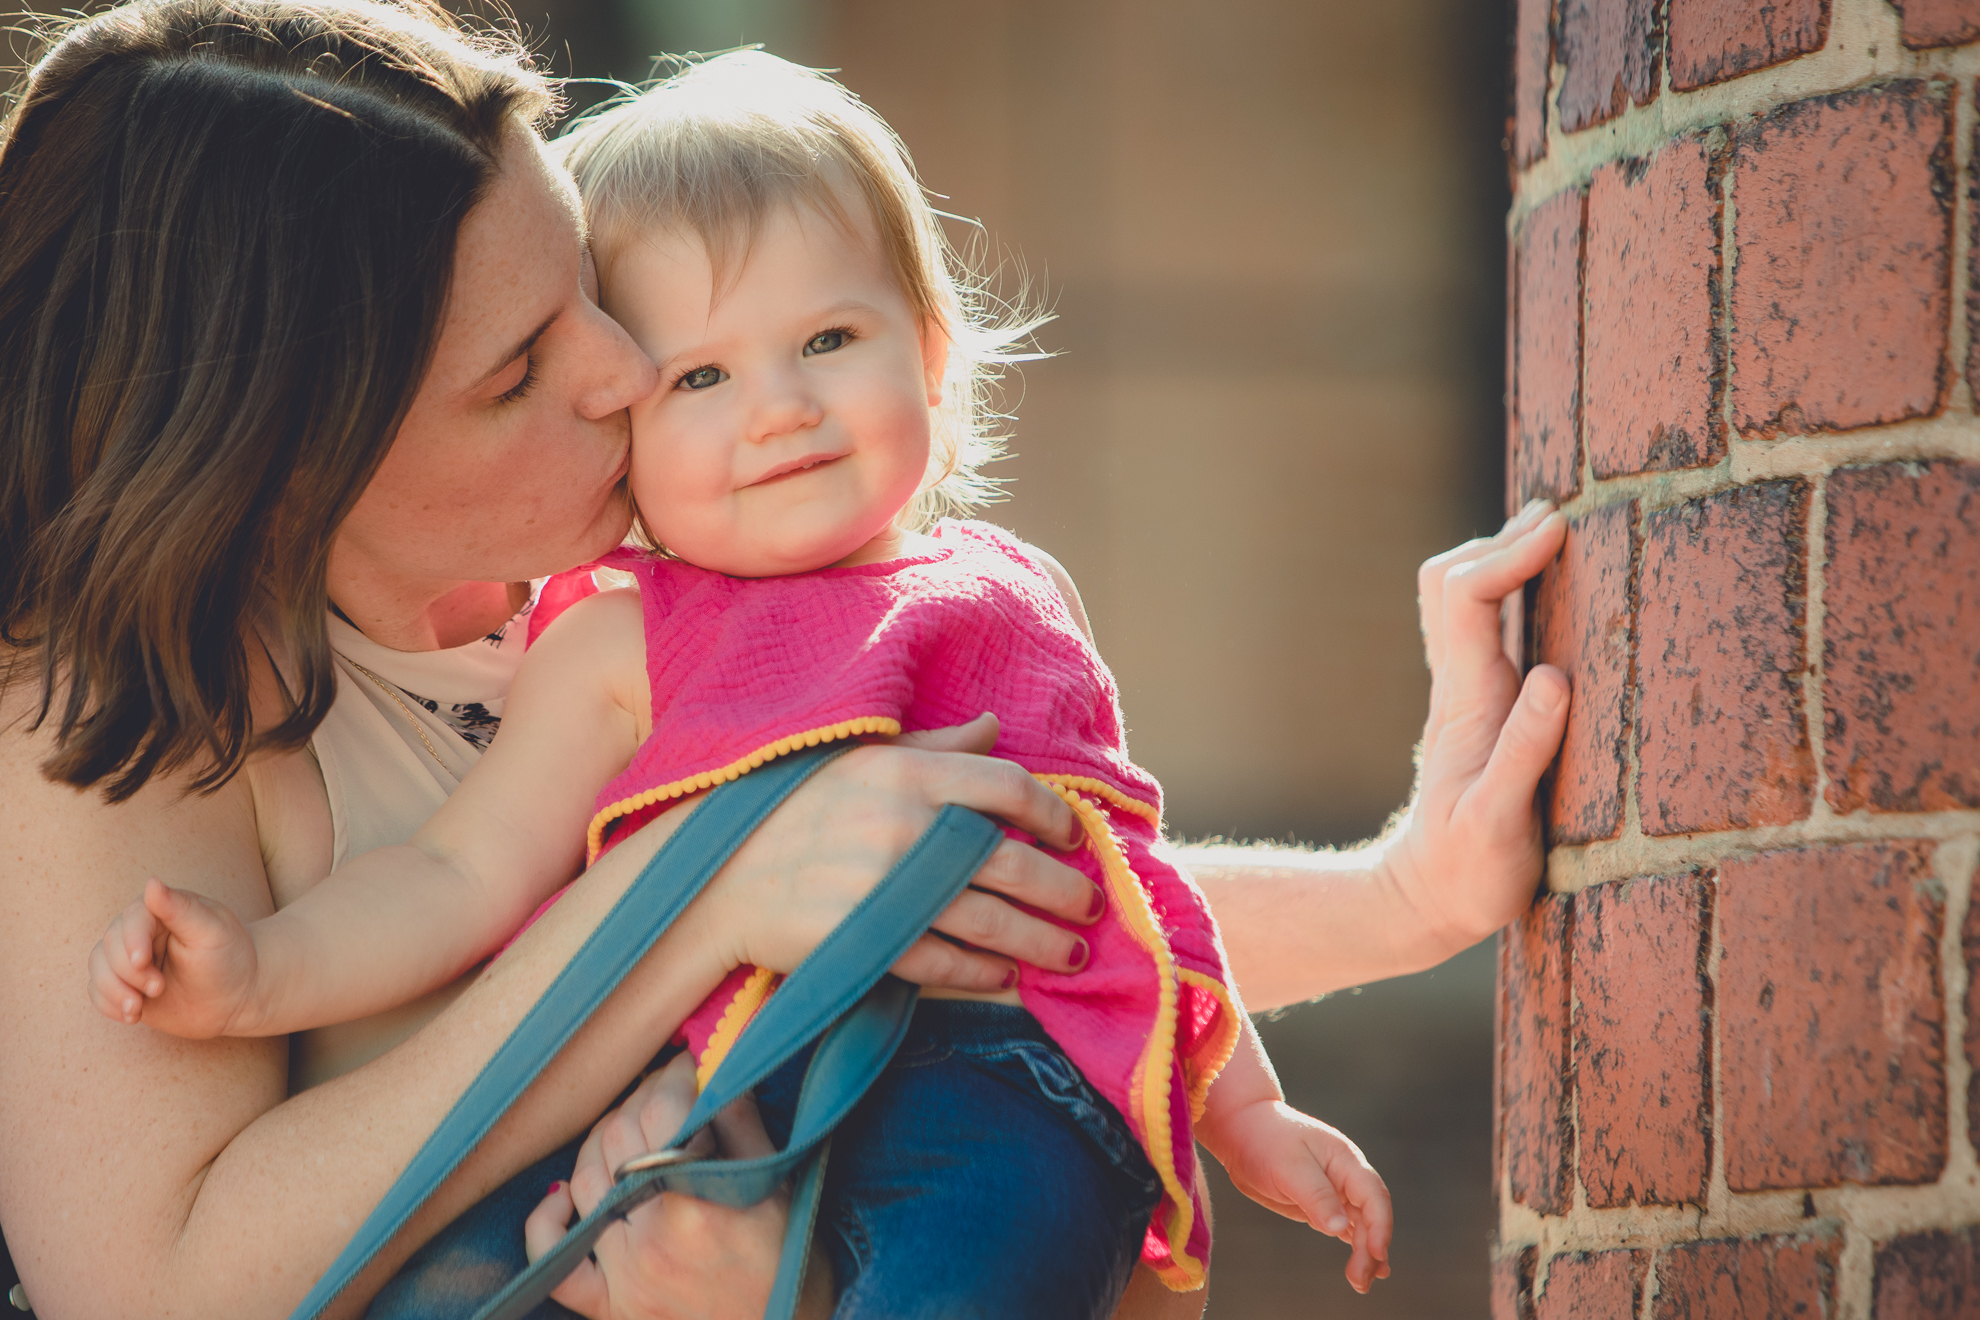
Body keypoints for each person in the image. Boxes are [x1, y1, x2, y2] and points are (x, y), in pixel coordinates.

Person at [0, 1, 1570, 1316]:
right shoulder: (124, 709)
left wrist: (1400, 897)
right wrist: (694, 898)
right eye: (521, 369)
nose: (621, 370)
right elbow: (151, 1290)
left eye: (586, 291)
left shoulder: (649, 585)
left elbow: (951, 885)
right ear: (292, 458)